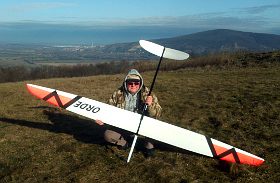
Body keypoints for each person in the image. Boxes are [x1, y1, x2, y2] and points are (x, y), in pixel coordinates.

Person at [95, 69, 162, 157]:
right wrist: (102, 118)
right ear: (126, 83)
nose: (133, 85)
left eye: (136, 83)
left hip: (143, 125)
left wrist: (150, 105)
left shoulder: (148, 94)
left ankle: (148, 146)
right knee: (108, 135)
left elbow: (158, 114)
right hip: (123, 124)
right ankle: (124, 143)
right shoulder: (118, 93)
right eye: (130, 83)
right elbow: (108, 108)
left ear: (140, 83)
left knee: (154, 131)